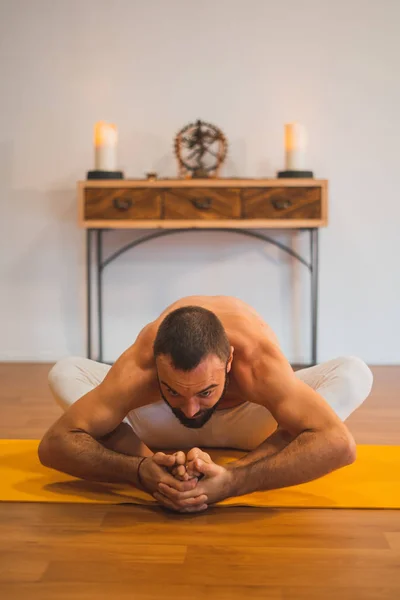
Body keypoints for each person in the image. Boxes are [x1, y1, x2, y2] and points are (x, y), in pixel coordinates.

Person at [39, 295, 373, 513]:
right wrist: (141, 471)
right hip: (158, 426)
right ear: (155, 363)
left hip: (253, 422)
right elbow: (54, 444)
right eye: (174, 390)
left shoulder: (257, 360)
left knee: (354, 372)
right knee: (65, 370)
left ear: (229, 361)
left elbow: (340, 445)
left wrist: (234, 480)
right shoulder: (139, 364)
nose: (190, 410)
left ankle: (220, 466)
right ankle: (158, 463)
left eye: (205, 392)